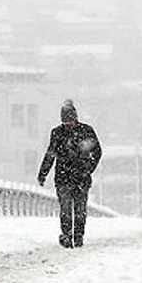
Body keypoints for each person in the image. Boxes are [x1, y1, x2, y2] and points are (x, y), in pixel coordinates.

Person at [37, 99, 102, 248]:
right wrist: (43, 173)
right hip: (64, 178)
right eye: (65, 121)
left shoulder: (86, 131)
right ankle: (67, 235)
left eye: (70, 120)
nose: (68, 124)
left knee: (79, 209)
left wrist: (88, 169)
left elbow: (97, 152)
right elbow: (50, 154)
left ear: (75, 118)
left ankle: (78, 236)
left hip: (79, 177)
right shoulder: (58, 133)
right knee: (66, 209)